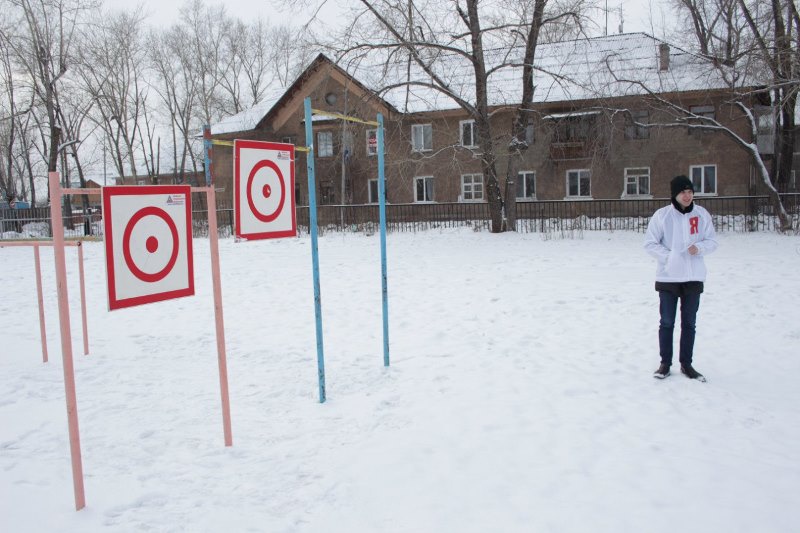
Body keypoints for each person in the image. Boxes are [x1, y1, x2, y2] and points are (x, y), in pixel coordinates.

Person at [644, 175, 718, 381]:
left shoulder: (702, 214)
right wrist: (670, 257)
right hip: (668, 279)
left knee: (689, 323)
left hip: (693, 278)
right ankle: (665, 364)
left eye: (690, 192)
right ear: (675, 195)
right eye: (683, 192)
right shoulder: (662, 216)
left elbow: (712, 241)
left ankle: (687, 364)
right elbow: (649, 243)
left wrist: (700, 248)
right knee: (667, 322)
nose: (687, 196)